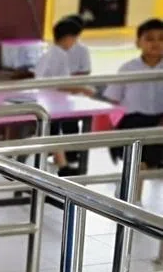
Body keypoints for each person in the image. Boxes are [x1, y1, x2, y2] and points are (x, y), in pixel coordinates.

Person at [34, 18, 93, 176]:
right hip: (51, 100)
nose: (74, 43)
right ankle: (63, 165)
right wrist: (83, 89)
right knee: (50, 132)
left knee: (51, 132)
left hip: (47, 99)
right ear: (68, 37)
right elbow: (60, 84)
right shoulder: (59, 55)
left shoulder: (51, 53)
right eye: (74, 39)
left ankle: (63, 165)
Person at [105, 18, 163, 167]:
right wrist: (113, 127)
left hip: (159, 121)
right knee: (135, 164)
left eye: (161, 39)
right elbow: (113, 99)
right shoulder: (128, 69)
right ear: (138, 42)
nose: (156, 43)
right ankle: (130, 188)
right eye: (149, 39)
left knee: (149, 161)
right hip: (133, 121)